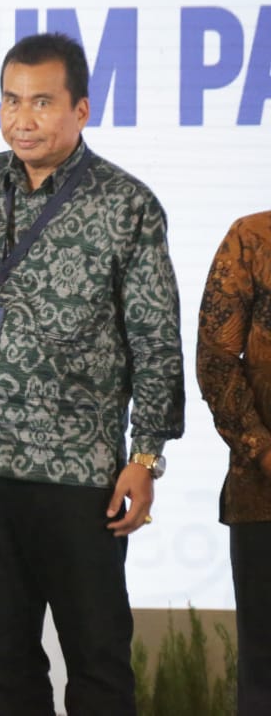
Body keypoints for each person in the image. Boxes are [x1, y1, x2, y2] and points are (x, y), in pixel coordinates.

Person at [0, 32, 185, 715]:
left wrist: (146, 456)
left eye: (41, 102)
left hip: (81, 472)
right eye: (10, 100)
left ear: (81, 109)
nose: (22, 119)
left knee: (98, 663)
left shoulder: (126, 203)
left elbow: (155, 338)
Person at [196, 210, 271, 715]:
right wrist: (262, 449)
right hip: (264, 493)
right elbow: (216, 358)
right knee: (266, 676)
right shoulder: (253, 237)